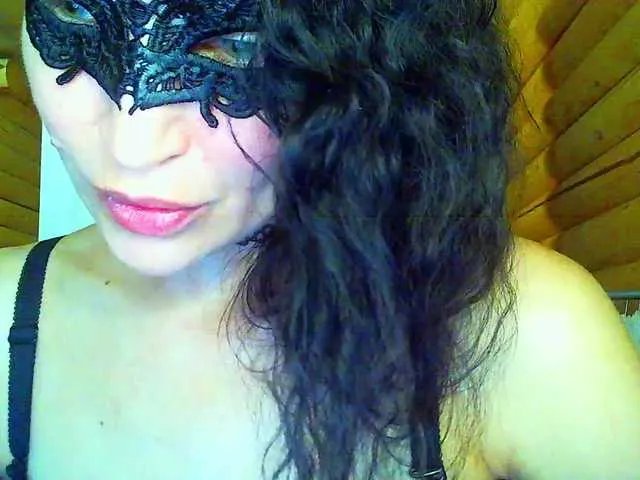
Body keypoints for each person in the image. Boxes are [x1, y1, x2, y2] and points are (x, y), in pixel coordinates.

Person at [1, 1, 639, 479]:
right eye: (74, 10)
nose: (131, 148)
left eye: (237, 45)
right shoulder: (7, 310)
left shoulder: (526, 336)